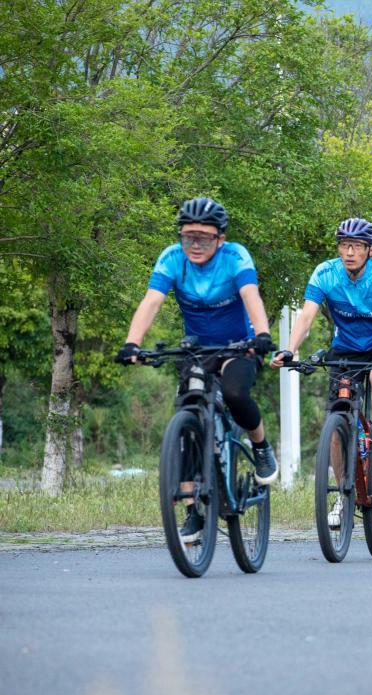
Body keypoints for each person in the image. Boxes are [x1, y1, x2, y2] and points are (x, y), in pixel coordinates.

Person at [118, 197, 278, 542]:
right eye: (188, 236)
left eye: (203, 238)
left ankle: (261, 447)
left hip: (239, 345)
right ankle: (193, 508)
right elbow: (152, 301)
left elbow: (251, 296)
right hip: (199, 349)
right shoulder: (172, 258)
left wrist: (262, 334)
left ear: (220, 238)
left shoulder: (235, 256)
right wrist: (132, 342)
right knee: (188, 411)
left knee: (235, 393)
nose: (194, 245)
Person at [271, 218, 372, 526]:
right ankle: (343, 494)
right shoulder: (325, 273)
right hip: (346, 348)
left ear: (370, 250)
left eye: (356, 247)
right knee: (337, 421)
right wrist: (289, 349)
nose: (348, 252)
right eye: (343, 245)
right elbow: (307, 315)